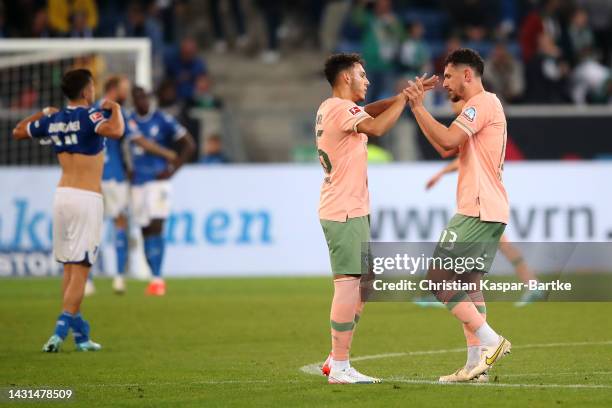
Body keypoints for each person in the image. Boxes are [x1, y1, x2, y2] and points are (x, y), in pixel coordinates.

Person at [316, 52, 435, 384]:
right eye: (362, 74)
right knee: (348, 283)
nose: (366, 80)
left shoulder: (330, 107)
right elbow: (379, 126)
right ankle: (340, 365)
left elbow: (370, 111)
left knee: (364, 283)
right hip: (344, 210)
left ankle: (335, 357)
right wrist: (407, 102)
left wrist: (402, 96)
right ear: (345, 79)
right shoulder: (342, 109)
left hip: (348, 207)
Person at [403, 48, 511, 383]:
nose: (444, 82)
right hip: (487, 207)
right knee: (468, 285)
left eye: (449, 76)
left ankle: (493, 341)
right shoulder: (477, 108)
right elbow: (444, 146)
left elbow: (447, 140)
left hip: (477, 209)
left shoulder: (482, 103)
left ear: (468, 74)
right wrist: (417, 109)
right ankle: (474, 367)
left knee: (437, 278)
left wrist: (419, 107)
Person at [12, 69, 124, 352]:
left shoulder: (54, 119)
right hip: (87, 197)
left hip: (62, 195)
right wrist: (117, 109)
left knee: (69, 269)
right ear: (87, 92)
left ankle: (81, 336)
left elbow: (18, 132)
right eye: (93, 87)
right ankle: (58, 333)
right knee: (82, 270)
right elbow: (117, 130)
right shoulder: (91, 115)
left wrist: (41, 113)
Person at [424, 156, 546, 307]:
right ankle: (533, 284)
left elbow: (465, 159)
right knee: (501, 245)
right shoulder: (485, 145)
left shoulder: (478, 144)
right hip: (486, 201)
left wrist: (440, 173)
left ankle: (446, 293)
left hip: (481, 203)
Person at [98, 75, 178, 294]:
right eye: (125, 89)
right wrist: (168, 153)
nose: (127, 94)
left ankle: (86, 282)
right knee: (121, 224)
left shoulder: (90, 111)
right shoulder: (120, 113)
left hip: (90, 176)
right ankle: (118, 279)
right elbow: (138, 140)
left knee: (90, 229)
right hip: (115, 178)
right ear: (115, 90)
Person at [129, 86, 196, 296]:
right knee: (144, 229)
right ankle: (154, 278)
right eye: (138, 98)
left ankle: (158, 279)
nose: (143, 101)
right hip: (137, 182)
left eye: (146, 97)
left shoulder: (162, 119)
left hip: (158, 181)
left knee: (157, 226)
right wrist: (127, 170)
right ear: (134, 100)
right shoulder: (128, 121)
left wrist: (172, 171)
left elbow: (189, 144)